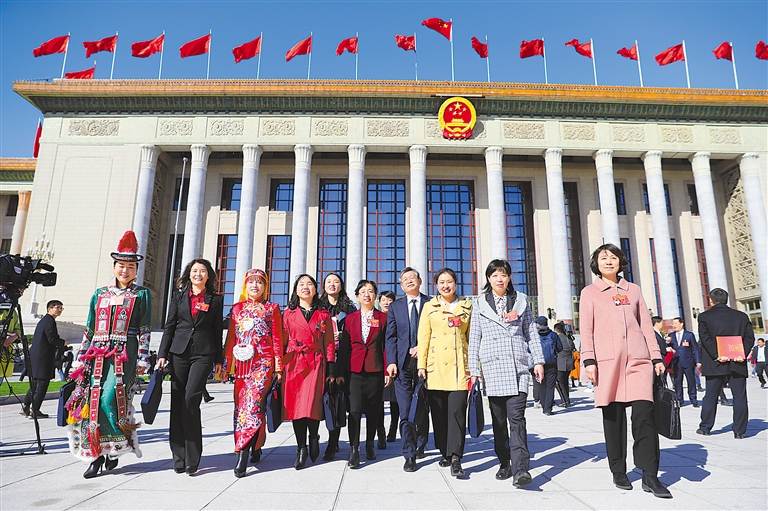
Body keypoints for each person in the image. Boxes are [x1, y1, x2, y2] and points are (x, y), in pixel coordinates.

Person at [579, 244, 670, 498]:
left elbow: (646, 326)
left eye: (613, 257)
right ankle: (618, 469)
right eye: (603, 258)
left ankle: (650, 475)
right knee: (613, 418)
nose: (609, 261)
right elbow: (586, 330)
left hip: (638, 361)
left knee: (644, 416)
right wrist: (588, 360)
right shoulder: (589, 293)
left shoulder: (634, 290)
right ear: (596, 264)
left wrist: (656, 356)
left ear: (621, 262)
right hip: (608, 362)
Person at [65, 231, 152, 479]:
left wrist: (144, 357)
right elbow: (90, 328)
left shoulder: (141, 295)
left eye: (131, 267)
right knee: (91, 400)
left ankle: (115, 447)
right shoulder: (100, 294)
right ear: (114, 267)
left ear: (136, 271)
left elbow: (145, 328)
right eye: (121, 266)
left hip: (125, 354)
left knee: (110, 397)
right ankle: (97, 455)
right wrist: (80, 358)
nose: (125, 270)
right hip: (97, 355)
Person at [468, 259, 544, 487]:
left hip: (517, 367)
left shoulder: (521, 301)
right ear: (488, 278)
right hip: (492, 369)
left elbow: (531, 332)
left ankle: (521, 469)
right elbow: (474, 338)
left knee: (517, 419)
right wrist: (474, 370)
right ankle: (504, 462)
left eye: (503, 274)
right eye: (495, 275)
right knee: (499, 422)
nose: (499, 279)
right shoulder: (480, 303)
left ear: (509, 277)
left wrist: (538, 361)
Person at [158, 258, 224, 476]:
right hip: (179, 352)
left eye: (202, 271)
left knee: (191, 399)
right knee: (177, 401)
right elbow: (169, 326)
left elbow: (217, 330)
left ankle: (193, 458)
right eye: (195, 270)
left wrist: (219, 359)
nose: (198, 274)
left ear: (208, 275)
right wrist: (162, 354)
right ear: (189, 274)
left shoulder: (215, 299)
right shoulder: (178, 296)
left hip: (203, 353)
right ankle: (179, 456)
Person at [222, 269, 284, 477]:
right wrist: (226, 366)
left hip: (263, 365)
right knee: (241, 407)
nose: (255, 286)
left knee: (253, 404)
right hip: (242, 365)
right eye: (251, 282)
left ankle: (243, 453)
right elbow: (231, 338)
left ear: (265, 287)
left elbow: (277, 339)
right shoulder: (237, 309)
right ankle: (256, 444)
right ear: (245, 286)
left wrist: (278, 367)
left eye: (259, 282)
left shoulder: (272, 308)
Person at [417, 268, 472, 478]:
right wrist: (421, 366)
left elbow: (472, 337)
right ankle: (444, 452)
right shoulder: (429, 307)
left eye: (449, 281)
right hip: (435, 367)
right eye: (441, 282)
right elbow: (423, 338)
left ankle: (456, 457)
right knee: (439, 414)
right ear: (436, 285)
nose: (446, 285)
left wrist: (475, 367)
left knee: (457, 412)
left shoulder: (467, 306)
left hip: (460, 369)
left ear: (455, 284)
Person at [282, 274, 335, 470]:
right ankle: (301, 448)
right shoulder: (287, 314)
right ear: (296, 290)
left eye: (310, 284)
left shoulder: (323, 314)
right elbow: (282, 341)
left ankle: (313, 437)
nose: (305, 287)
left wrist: (331, 369)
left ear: (315, 290)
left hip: (315, 362)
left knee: (312, 404)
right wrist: (278, 367)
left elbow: (329, 342)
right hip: (294, 363)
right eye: (301, 284)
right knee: (296, 407)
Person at [337, 279, 389, 468]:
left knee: (373, 410)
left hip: (375, 369)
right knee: (355, 411)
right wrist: (340, 372)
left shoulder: (383, 318)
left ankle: (370, 444)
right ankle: (354, 449)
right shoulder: (350, 319)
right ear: (357, 296)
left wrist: (387, 369)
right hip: (354, 370)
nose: (367, 294)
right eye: (363, 292)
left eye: (371, 291)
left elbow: (386, 346)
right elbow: (344, 347)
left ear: (375, 296)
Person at [385, 267, 431, 473]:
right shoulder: (396, 306)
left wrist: (423, 347)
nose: (409, 281)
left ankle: (421, 442)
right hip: (402, 364)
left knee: (422, 406)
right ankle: (409, 454)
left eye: (412, 277)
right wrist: (391, 361)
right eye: (405, 279)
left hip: (426, 363)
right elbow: (391, 337)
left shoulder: (431, 303)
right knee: (405, 410)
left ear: (420, 281)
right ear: (401, 286)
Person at [696, 288, 755, 439]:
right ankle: (739, 431)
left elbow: (705, 339)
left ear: (711, 300)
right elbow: (750, 337)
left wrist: (718, 355)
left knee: (711, 396)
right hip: (737, 362)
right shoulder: (741, 316)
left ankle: (705, 427)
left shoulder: (704, 317)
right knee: (740, 396)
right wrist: (742, 354)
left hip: (715, 363)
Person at [318, 272, 357, 461]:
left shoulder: (349, 308)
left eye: (336, 281)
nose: (332, 284)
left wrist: (344, 335)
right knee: (322, 399)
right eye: (328, 281)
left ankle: (333, 441)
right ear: (324, 286)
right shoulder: (318, 306)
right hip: (322, 359)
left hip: (342, 359)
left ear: (341, 285)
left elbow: (355, 330)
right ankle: (316, 436)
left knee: (338, 400)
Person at [21, 300, 67, 418]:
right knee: (42, 384)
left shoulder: (44, 320)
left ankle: (26, 406)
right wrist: (63, 343)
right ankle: (35, 410)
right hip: (43, 357)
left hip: (37, 356)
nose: (60, 310)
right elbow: (51, 338)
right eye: (57, 307)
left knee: (35, 383)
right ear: (49, 309)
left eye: (61, 308)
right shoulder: (49, 321)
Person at [376, 290, 398, 446]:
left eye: (390, 300)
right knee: (378, 400)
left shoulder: (396, 318)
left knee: (395, 400)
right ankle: (380, 431)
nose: (386, 303)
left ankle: (393, 428)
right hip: (379, 363)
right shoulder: (376, 318)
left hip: (394, 363)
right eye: (384, 300)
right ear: (379, 302)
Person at [667, 317, 701, 407]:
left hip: (688, 362)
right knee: (678, 382)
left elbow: (695, 349)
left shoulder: (689, 335)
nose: (674, 325)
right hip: (676, 362)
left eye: (676, 323)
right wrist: (667, 342)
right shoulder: (671, 336)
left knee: (691, 381)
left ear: (681, 324)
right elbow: (667, 348)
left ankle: (693, 399)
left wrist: (698, 361)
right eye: (673, 323)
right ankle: (679, 400)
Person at [535, 316, 562, 416]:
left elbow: (529, 349)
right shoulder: (553, 335)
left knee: (541, 384)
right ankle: (548, 408)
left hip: (539, 363)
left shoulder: (536, 335)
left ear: (538, 324)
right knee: (550, 386)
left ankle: (543, 405)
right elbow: (560, 347)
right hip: (552, 362)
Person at [554, 322, 575, 408]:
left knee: (559, 383)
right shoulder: (568, 338)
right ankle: (567, 400)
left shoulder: (557, 339)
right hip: (569, 363)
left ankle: (564, 401)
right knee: (565, 382)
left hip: (560, 363)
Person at [652, 316, 674, 385]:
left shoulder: (660, 333)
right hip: (659, 358)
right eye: (661, 323)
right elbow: (654, 345)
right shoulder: (653, 334)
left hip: (664, 359)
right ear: (657, 323)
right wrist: (665, 349)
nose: (663, 324)